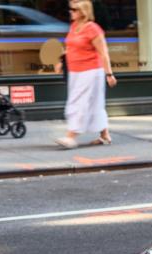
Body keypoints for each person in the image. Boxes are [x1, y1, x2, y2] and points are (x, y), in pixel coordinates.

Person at [54, 1, 117, 149]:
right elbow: (70, 48)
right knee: (95, 104)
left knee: (78, 102)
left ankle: (71, 137)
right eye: (70, 9)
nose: (71, 11)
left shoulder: (93, 29)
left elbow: (104, 53)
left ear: (84, 11)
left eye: (74, 9)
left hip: (90, 71)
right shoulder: (74, 27)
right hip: (75, 71)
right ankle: (105, 135)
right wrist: (61, 62)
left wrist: (109, 74)